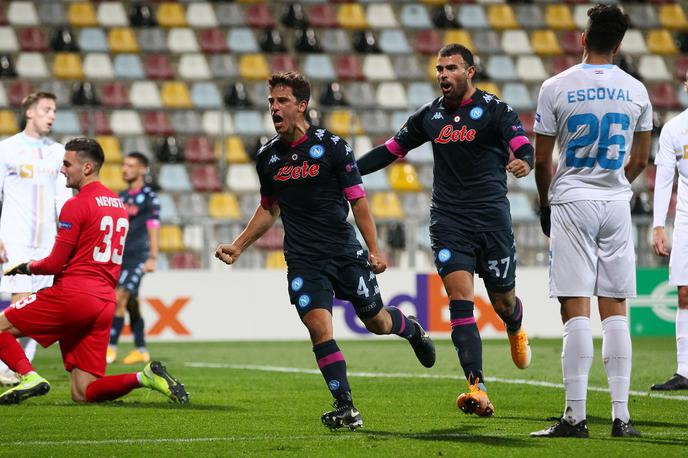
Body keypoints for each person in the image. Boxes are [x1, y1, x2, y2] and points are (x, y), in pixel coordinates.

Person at [215, 72, 435, 430]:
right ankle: (346, 406)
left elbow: (358, 202)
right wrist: (239, 246)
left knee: (377, 322)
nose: (274, 108)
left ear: (302, 105)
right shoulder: (267, 157)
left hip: (344, 253)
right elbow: (270, 208)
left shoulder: (333, 146)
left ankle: (411, 330)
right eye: (271, 101)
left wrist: (374, 250)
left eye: (282, 100)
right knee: (319, 327)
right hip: (303, 260)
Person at [356, 43, 533, 417]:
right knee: (460, 300)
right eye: (439, 69)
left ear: (470, 72)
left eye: (451, 68)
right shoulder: (430, 115)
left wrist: (525, 162)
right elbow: (390, 149)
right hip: (449, 221)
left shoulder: (495, 110)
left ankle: (515, 324)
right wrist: (346, 171)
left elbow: (521, 143)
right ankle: (477, 386)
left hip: (491, 221)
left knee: (502, 302)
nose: (442, 75)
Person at [530, 4, 652, 438]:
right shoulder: (637, 90)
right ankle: (622, 417)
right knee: (615, 307)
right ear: (619, 44)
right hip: (615, 201)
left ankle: (575, 417)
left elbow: (542, 159)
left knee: (574, 304)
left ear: (584, 38)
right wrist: (617, 182)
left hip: (573, 200)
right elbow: (640, 158)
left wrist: (546, 203)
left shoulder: (556, 87)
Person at [0, 138, 188, 405]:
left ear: (87, 167)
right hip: (103, 303)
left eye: (67, 164)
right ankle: (144, 378)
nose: (62, 170)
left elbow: (54, 264)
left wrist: (28, 267)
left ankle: (28, 376)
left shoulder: (76, 205)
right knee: (83, 392)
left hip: (73, 295)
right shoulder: (117, 204)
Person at [0, 92, 74, 386]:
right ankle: (14, 368)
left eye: (54, 110)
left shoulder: (58, 152)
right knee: (22, 306)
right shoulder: (7, 149)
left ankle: (21, 368)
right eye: (46, 109)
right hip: (15, 238)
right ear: (29, 112)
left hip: (48, 242)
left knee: (39, 310)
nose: (51, 115)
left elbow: (64, 198)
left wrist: (67, 239)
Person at [650, 71, 688, 392]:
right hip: (686, 221)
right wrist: (658, 225)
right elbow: (664, 179)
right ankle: (684, 370)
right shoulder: (675, 129)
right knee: (685, 293)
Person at [107, 152, 160, 365]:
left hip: (139, 257)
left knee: (119, 298)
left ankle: (110, 348)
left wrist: (153, 257)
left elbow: (153, 228)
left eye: (130, 165)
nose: (124, 169)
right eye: (123, 165)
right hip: (120, 257)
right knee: (131, 303)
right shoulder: (120, 197)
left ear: (141, 169)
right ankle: (141, 349)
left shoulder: (149, 197)